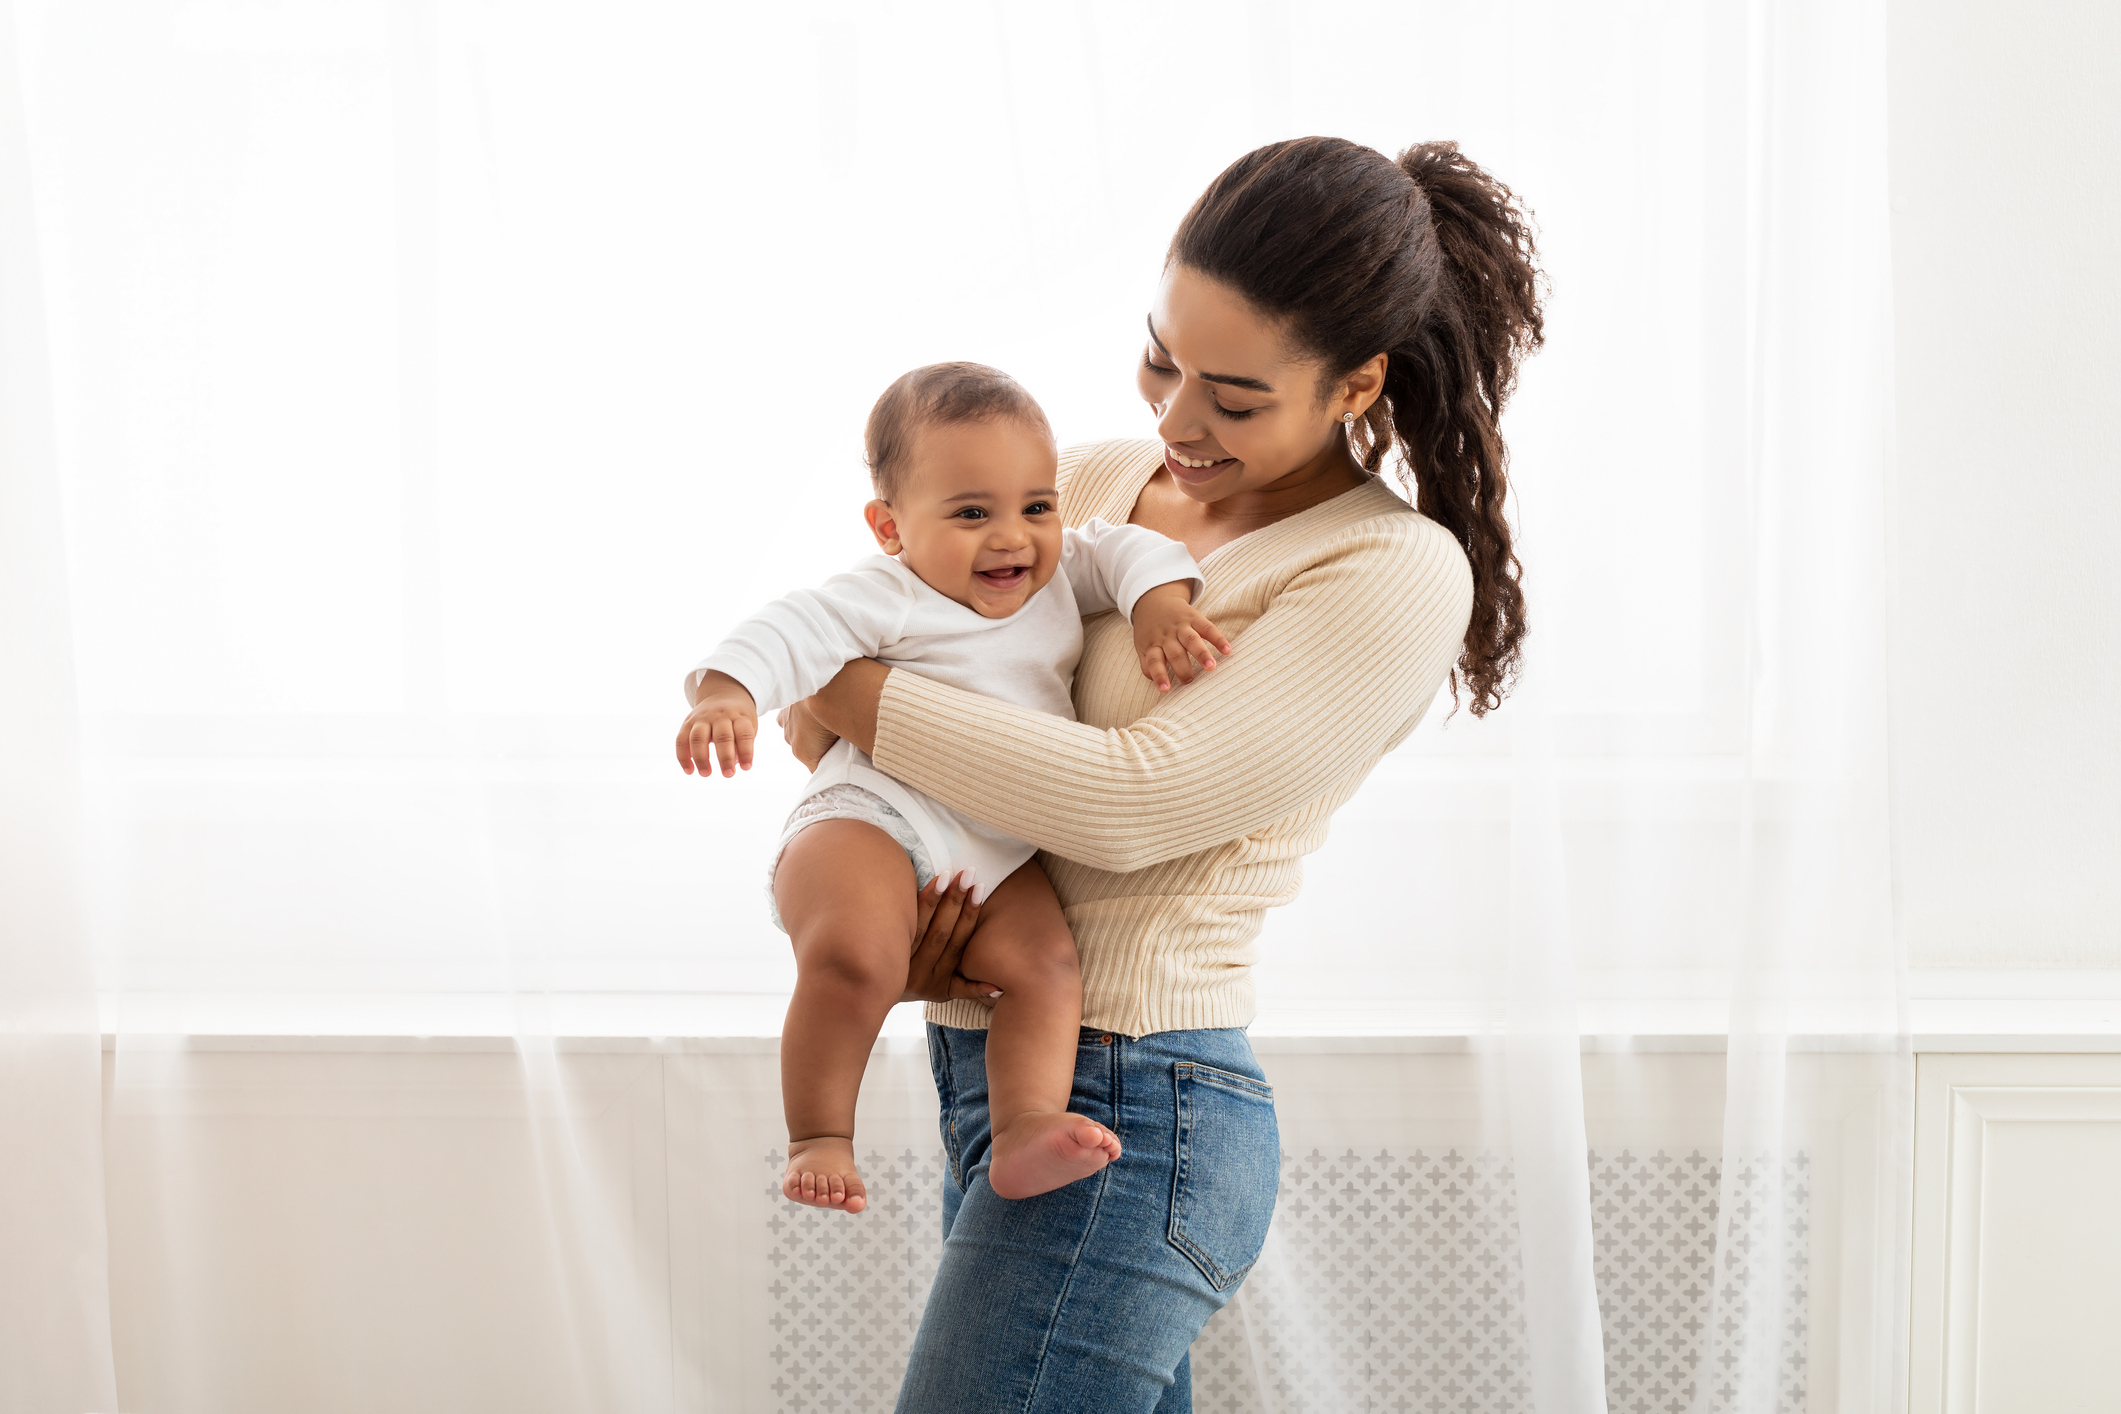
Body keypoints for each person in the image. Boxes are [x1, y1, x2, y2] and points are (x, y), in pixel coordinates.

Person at [777, 138, 1545, 1413]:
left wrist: (853, 686)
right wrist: (898, 908)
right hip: (994, 1075)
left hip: (1145, 1095)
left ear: (1356, 385)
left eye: (1234, 398)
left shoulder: (1385, 571)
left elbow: (1127, 802)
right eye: (1160, 358)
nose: (1174, 420)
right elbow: (820, 732)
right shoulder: (1081, 484)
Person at [675, 362, 1233, 1213]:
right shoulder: (886, 594)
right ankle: (819, 1134)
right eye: (972, 513)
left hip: (994, 852)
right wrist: (726, 693)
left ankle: (1022, 1126)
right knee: (855, 957)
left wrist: (1158, 600)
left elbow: (1127, 547)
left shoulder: (1054, 576)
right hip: (870, 817)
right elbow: (788, 629)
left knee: (1047, 967)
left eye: (1035, 507)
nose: (1012, 537)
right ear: (889, 527)